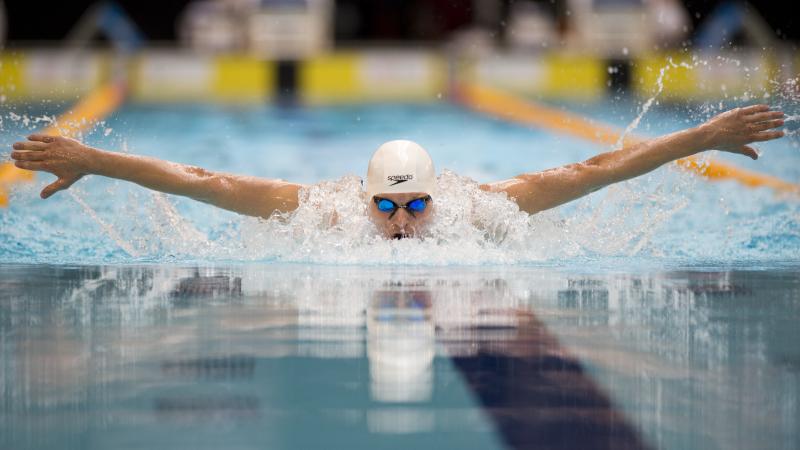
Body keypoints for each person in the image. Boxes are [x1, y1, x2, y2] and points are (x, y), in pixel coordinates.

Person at [9, 104, 785, 239]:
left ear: (438, 193)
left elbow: (600, 167)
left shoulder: (484, 209)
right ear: (364, 197)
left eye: (414, 207)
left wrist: (699, 137)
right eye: (387, 209)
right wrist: (92, 159)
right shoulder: (324, 211)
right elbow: (202, 179)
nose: (404, 224)